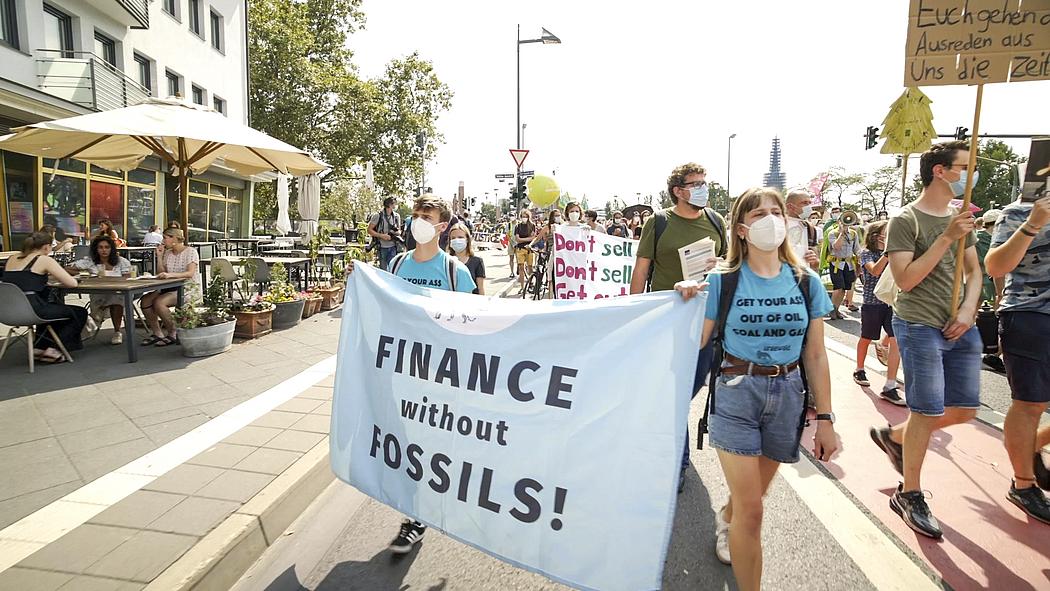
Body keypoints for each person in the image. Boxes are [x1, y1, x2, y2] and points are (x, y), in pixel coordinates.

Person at [674, 187, 837, 587]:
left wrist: (828, 417)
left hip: (788, 395)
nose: (770, 220)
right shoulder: (721, 280)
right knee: (754, 512)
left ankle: (726, 518)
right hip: (736, 391)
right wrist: (684, 303)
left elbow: (815, 355)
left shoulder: (806, 282)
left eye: (776, 212)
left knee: (750, 501)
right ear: (742, 229)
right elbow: (696, 341)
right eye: (759, 214)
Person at [347, 194, 475, 554]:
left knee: (432, 447)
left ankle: (424, 512)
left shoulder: (455, 272)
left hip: (441, 379)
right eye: (415, 213)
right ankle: (416, 515)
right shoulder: (399, 264)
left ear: (441, 225)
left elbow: (472, 328)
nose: (417, 219)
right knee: (407, 446)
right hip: (403, 374)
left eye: (426, 215)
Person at [869, 141, 983, 539]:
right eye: (965, 166)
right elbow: (906, 279)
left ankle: (896, 437)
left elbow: (975, 273)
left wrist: (969, 310)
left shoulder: (960, 218)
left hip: (961, 326)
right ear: (940, 171)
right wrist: (946, 237)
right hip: (918, 326)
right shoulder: (906, 220)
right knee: (927, 411)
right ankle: (910, 493)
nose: (971, 173)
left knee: (966, 409)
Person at [631, 162, 726, 492]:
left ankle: (662, 436)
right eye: (695, 183)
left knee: (688, 388)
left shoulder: (716, 221)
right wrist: (636, 315)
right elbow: (641, 271)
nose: (703, 188)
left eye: (704, 182)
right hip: (668, 322)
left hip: (708, 320)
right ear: (678, 191)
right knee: (674, 392)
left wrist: (721, 265)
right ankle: (678, 461)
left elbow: (732, 265)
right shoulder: (658, 223)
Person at [985, 193, 1050, 524]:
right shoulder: (1019, 211)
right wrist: (1034, 223)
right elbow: (995, 265)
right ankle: (1023, 485)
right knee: (1030, 404)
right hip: (1030, 316)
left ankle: (1031, 447)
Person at [1, 231, 87, 362]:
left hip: (7, 313)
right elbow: (72, 283)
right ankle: (54, 349)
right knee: (79, 312)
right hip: (33, 309)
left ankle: (39, 347)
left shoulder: (12, 258)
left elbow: (23, 280)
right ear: (46, 246)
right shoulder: (44, 259)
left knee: (51, 308)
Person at [854, 221, 904, 405]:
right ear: (876, 236)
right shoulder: (866, 253)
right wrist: (888, 254)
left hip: (892, 303)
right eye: (886, 233)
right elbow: (874, 271)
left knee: (895, 341)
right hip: (872, 303)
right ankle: (859, 368)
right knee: (866, 337)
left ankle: (890, 384)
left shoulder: (896, 252)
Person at [139, 228, 200, 347]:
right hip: (169, 287)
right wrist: (160, 257)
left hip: (187, 287)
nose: (162, 241)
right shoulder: (168, 253)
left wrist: (170, 275)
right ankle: (157, 333)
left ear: (174, 239)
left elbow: (190, 273)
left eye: (165, 238)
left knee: (159, 302)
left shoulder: (190, 252)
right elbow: (162, 273)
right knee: (145, 301)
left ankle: (173, 332)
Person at [72, 235, 132, 345]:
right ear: (96, 249)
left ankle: (117, 331)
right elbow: (68, 269)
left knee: (116, 298)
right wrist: (82, 274)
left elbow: (127, 279)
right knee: (108, 298)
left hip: (119, 292)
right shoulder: (90, 262)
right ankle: (93, 321)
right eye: (100, 247)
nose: (104, 250)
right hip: (98, 293)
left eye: (107, 247)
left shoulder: (121, 261)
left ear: (111, 249)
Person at [975, 208, 1007, 373]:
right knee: (992, 320)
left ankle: (986, 352)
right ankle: (992, 353)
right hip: (988, 284)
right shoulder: (996, 240)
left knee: (975, 317)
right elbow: (997, 269)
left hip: (974, 282)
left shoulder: (975, 238)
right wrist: (1000, 292)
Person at [822, 214, 861, 319]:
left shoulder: (853, 234)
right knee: (838, 288)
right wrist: (841, 233)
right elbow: (836, 247)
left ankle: (836, 309)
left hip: (848, 265)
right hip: (836, 264)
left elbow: (857, 249)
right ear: (838, 221)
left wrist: (860, 258)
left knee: (844, 289)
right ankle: (832, 309)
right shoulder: (832, 233)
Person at [784, 189, 820, 270]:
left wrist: (814, 260)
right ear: (790, 206)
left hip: (803, 276)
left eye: (809, 203)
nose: (808, 206)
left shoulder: (809, 228)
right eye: (804, 203)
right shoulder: (777, 225)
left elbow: (816, 262)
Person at [448, 222, 485, 295]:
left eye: (460, 237)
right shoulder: (445, 261)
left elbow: (480, 288)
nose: (457, 240)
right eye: (453, 238)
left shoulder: (477, 261)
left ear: (467, 239)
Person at [368, 197, 403, 272]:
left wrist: (396, 233)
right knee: (383, 271)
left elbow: (399, 230)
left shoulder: (396, 216)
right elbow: (369, 230)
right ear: (390, 205)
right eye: (394, 204)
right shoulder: (378, 216)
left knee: (393, 269)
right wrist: (382, 236)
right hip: (382, 246)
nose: (395, 206)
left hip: (393, 246)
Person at [513, 210, 537, 291]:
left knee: (530, 267)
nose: (524, 218)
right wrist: (527, 239)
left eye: (526, 216)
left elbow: (533, 238)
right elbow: (517, 239)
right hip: (520, 249)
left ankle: (530, 283)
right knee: (521, 268)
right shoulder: (518, 226)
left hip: (529, 249)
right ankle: (522, 287)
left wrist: (522, 239)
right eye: (523, 216)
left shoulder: (532, 225)